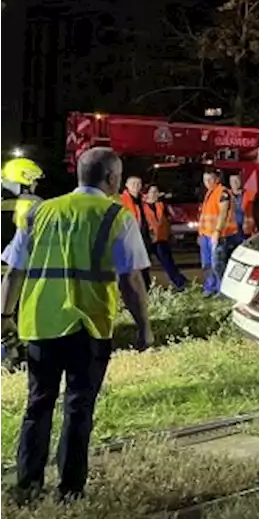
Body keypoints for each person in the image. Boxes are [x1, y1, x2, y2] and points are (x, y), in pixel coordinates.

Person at [0, 147, 152, 505]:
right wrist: (144, 326)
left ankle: (27, 485)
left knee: (37, 404)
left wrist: (4, 317)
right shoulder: (116, 215)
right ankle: (70, 490)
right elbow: (131, 281)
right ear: (112, 178)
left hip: (40, 323)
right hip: (89, 326)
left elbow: (14, 272)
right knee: (78, 407)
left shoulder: (40, 212)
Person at [142, 185, 188, 291]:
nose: (155, 194)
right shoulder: (142, 206)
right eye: (152, 192)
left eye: (156, 192)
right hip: (148, 239)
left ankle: (180, 283)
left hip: (161, 239)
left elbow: (169, 220)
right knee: (144, 266)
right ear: (146, 194)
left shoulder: (161, 205)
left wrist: (170, 235)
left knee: (168, 263)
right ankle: (146, 287)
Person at [197, 169, 233, 297]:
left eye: (210, 179)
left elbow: (223, 213)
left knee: (217, 263)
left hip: (217, 235)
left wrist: (217, 231)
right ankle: (210, 287)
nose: (207, 182)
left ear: (217, 179)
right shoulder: (209, 193)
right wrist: (200, 233)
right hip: (205, 235)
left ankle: (223, 289)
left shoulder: (222, 192)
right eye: (205, 179)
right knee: (206, 263)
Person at [118, 176, 153, 291]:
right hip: (129, 238)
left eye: (138, 184)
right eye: (133, 184)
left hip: (143, 236)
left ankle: (146, 289)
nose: (136, 186)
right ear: (127, 185)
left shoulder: (144, 200)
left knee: (144, 266)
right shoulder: (121, 200)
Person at [226, 173, 259, 252]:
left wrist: (258, 230)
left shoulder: (251, 195)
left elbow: (257, 214)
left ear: (242, 181)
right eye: (232, 181)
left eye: (237, 180)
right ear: (229, 183)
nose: (235, 183)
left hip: (246, 233)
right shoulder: (225, 195)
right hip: (230, 233)